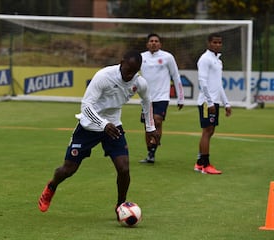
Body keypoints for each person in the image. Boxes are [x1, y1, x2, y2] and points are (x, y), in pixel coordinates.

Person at [38, 50, 160, 217]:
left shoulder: (140, 83)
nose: (130, 75)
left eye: (134, 71)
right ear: (121, 62)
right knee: (68, 170)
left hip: (114, 126)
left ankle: (120, 207)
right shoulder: (104, 76)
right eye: (128, 70)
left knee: (124, 169)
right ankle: (51, 187)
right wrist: (103, 124)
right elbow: (86, 107)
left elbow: (147, 102)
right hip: (89, 126)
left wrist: (150, 127)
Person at [139, 33, 184, 164]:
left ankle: (153, 150)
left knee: (157, 121)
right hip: (146, 98)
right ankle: (150, 152)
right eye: (151, 41)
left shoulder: (167, 57)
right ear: (147, 44)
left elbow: (175, 76)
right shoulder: (142, 57)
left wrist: (180, 98)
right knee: (148, 126)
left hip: (162, 96)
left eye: (156, 41)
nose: (153, 43)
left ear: (160, 44)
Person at [194, 33, 232, 174]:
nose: (217, 45)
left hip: (213, 101)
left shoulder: (217, 60)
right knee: (207, 131)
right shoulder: (205, 59)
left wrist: (226, 103)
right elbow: (202, 82)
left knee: (210, 131)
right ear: (208, 43)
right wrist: (209, 102)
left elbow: (218, 84)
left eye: (219, 43)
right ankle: (206, 165)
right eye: (214, 42)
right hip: (206, 102)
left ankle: (199, 163)